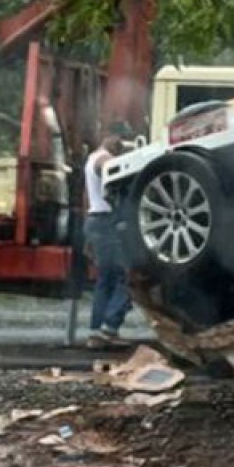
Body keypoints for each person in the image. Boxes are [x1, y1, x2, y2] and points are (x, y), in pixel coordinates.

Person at [85, 133, 131, 348]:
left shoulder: (91, 158)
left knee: (106, 280)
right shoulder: (102, 157)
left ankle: (97, 332)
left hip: (96, 221)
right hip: (106, 222)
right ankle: (110, 326)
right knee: (127, 276)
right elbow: (108, 168)